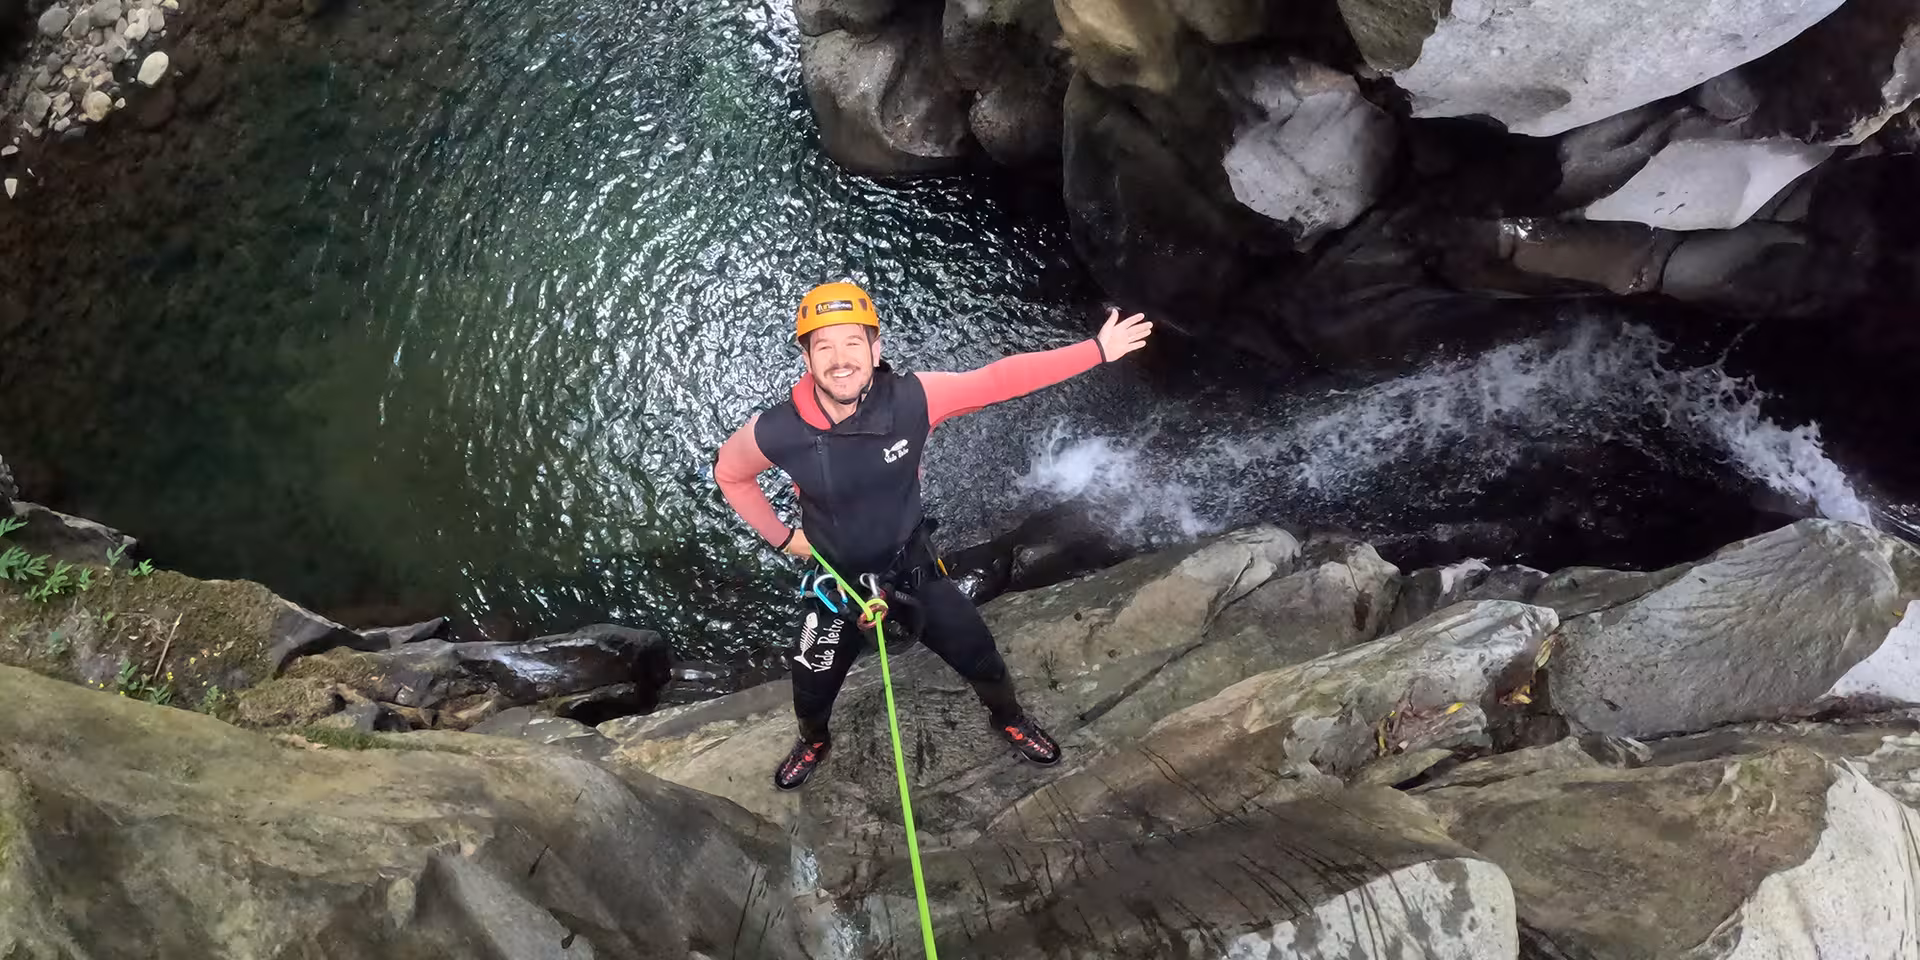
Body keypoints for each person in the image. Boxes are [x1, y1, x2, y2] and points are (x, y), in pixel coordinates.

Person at [713, 281, 1154, 790]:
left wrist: (1096, 351)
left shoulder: (914, 400)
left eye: (853, 342)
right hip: (838, 582)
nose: (840, 359)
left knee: (981, 657)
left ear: (876, 349)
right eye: (824, 346)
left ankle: (1007, 717)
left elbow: (997, 379)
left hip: (912, 568)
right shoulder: (779, 431)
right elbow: (731, 474)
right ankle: (814, 740)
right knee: (810, 689)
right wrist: (782, 537)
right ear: (807, 356)